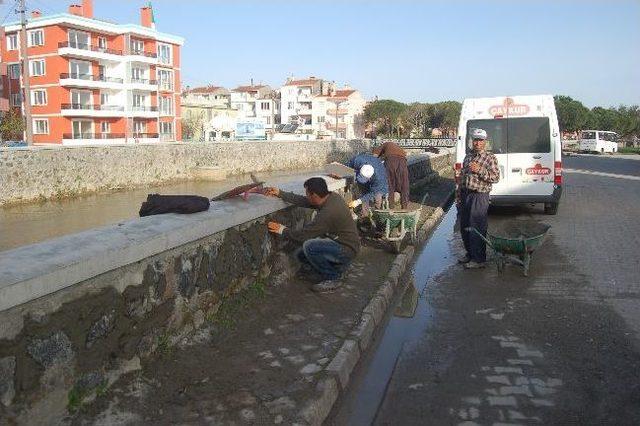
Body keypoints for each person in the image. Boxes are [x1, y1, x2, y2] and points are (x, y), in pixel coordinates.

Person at [264, 177, 360, 292]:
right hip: (342, 243)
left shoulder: (328, 213)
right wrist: (280, 193)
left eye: (308, 194)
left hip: (346, 249)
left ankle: (334, 277)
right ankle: (336, 267)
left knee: (309, 247)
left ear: (314, 195)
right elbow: (304, 201)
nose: (306, 196)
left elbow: (303, 236)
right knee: (301, 255)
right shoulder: (331, 198)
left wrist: (282, 230)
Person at [458, 128, 500, 269]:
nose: (477, 143)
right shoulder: (468, 157)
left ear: (485, 142)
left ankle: (479, 259)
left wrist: (480, 170)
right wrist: (459, 195)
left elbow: (495, 177)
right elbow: (463, 177)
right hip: (466, 195)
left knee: (477, 226)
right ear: (472, 141)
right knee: (464, 225)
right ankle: (470, 254)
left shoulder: (490, 158)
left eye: (480, 140)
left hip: (480, 196)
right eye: (475, 140)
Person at [373, 141, 410, 209]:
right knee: (404, 184)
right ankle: (405, 207)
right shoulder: (398, 148)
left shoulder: (384, 145)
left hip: (391, 161)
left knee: (390, 184)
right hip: (403, 162)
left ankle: (391, 207)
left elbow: (374, 156)